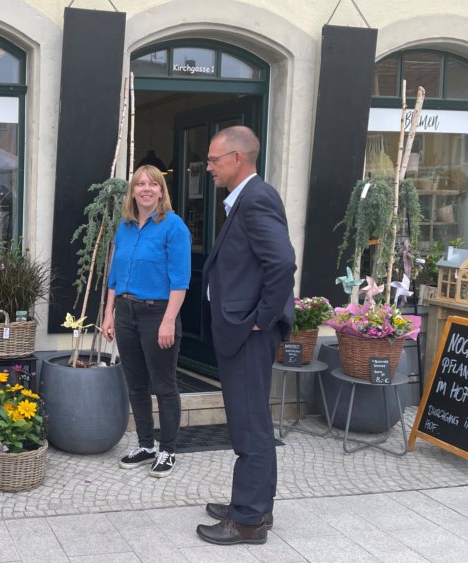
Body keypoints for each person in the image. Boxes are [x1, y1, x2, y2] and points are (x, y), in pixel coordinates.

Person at [196, 126, 296, 545]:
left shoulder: (255, 199)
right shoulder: (246, 200)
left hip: (249, 334)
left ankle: (248, 521)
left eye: (214, 160)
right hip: (244, 330)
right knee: (253, 421)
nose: (208, 168)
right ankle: (256, 505)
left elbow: (283, 263)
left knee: (249, 425)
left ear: (238, 158)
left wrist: (262, 318)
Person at [101, 164, 191, 478]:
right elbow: (114, 274)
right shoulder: (124, 227)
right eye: (140, 184)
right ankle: (146, 445)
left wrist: (169, 321)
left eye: (153, 184)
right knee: (136, 385)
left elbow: (180, 281)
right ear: (133, 191)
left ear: (161, 192)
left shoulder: (174, 227)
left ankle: (167, 449)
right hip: (125, 313)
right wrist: (108, 312)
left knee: (164, 386)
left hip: (158, 314)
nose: (146, 189)